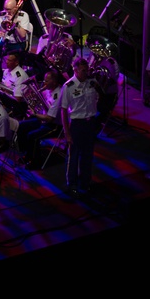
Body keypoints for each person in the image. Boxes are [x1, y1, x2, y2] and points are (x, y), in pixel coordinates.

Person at [60, 58, 101, 197]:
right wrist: (67, 132)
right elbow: (64, 110)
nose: (86, 72)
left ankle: (85, 182)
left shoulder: (93, 83)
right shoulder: (69, 86)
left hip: (90, 123)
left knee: (88, 155)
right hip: (77, 124)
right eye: (83, 70)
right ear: (75, 70)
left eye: (87, 69)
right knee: (74, 156)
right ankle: (71, 184)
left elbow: (98, 99)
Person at [17, 70, 65, 167]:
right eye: (44, 80)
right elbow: (37, 101)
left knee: (32, 136)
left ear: (54, 82)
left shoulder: (58, 95)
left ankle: (35, 162)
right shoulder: (47, 90)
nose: (44, 83)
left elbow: (50, 118)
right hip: (43, 120)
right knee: (21, 125)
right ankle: (26, 153)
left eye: (47, 81)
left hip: (54, 126)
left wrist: (34, 114)